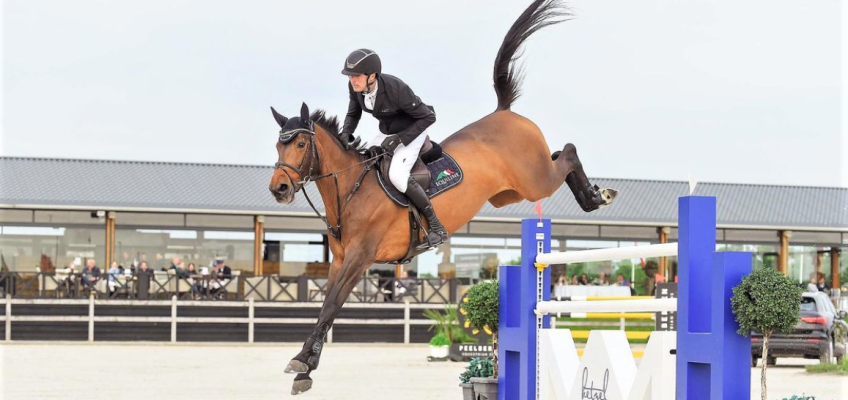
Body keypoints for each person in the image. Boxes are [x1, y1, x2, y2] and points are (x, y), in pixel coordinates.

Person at [337, 48, 446, 249]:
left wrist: (399, 140)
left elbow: (428, 117)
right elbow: (353, 114)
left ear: (372, 75)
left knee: (397, 174)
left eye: (356, 75)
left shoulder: (396, 88)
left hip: (412, 129)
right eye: (350, 76)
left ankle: (437, 227)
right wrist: (345, 134)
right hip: (388, 131)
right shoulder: (356, 87)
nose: (353, 80)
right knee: (363, 162)